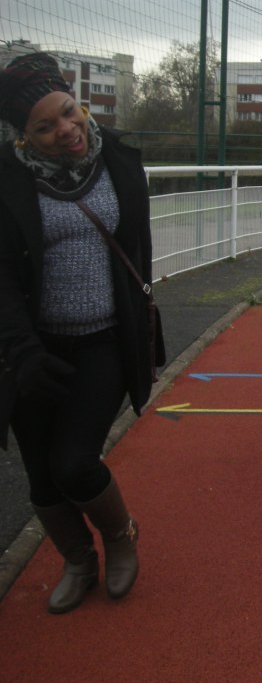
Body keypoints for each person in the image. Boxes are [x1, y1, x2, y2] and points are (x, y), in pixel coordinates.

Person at [0, 52, 164, 614]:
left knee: (74, 462)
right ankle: (77, 560)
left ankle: (120, 535)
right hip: (32, 348)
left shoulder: (117, 160)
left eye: (69, 112)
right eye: (45, 127)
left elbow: (137, 248)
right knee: (42, 478)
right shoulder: (8, 179)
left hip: (105, 340)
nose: (66, 129)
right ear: (23, 136)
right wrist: (23, 351)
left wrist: (146, 332)